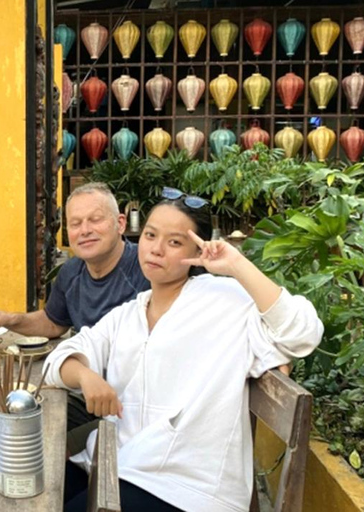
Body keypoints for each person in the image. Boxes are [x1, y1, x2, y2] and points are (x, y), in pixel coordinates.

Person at [45, 187, 323, 512]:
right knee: (32, 481)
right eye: (150, 235)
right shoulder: (130, 313)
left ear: (198, 251)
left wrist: (237, 265)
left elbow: (303, 333)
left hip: (185, 486)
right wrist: (84, 375)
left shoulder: (224, 300)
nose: (157, 249)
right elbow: (56, 364)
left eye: (175, 242)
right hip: (118, 464)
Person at [0, 183, 148, 338]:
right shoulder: (71, 272)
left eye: (95, 219)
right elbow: (52, 323)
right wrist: (6, 319)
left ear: (121, 224)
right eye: (76, 223)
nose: (85, 230)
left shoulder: (147, 267)